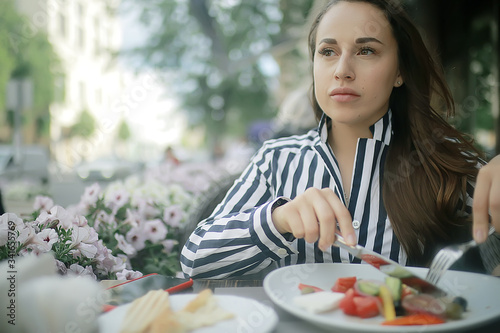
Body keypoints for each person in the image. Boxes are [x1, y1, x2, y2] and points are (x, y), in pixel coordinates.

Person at [181, 0, 500, 279]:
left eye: (366, 50)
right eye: (328, 51)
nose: (342, 70)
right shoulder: (276, 159)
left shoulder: (445, 160)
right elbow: (194, 259)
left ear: (400, 70)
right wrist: (277, 220)